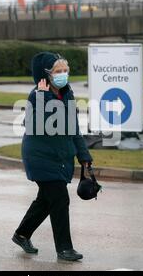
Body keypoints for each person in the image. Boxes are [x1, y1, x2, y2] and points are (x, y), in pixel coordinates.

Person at [12, 52, 93, 262]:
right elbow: (35, 126)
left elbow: (74, 128)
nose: (63, 74)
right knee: (59, 198)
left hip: (59, 157)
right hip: (39, 157)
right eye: (58, 71)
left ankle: (22, 234)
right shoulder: (35, 96)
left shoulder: (67, 93)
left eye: (65, 70)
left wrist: (84, 156)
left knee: (46, 200)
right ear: (46, 75)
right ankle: (64, 249)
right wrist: (41, 97)